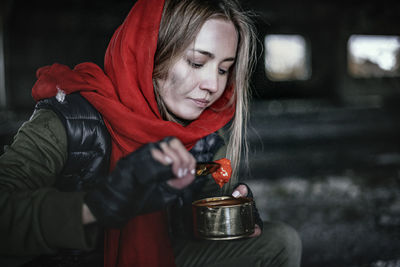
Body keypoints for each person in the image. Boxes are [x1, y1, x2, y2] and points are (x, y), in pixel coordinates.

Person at [0, 0, 302, 266]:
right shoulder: (67, 121)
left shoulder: (205, 139)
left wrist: (231, 218)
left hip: (164, 255)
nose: (213, 84)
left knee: (279, 242)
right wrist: (97, 205)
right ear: (149, 53)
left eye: (224, 69)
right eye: (197, 62)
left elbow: (206, 207)